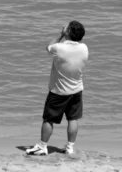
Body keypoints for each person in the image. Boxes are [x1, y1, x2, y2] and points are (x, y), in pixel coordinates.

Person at [26, 20, 89, 156]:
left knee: (48, 119)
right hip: (77, 89)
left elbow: (49, 47)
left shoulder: (59, 48)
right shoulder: (84, 48)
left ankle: (43, 146)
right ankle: (70, 147)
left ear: (68, 32)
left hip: (59, 91)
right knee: (73, 119)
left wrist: (61, 35)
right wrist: (66, 34)